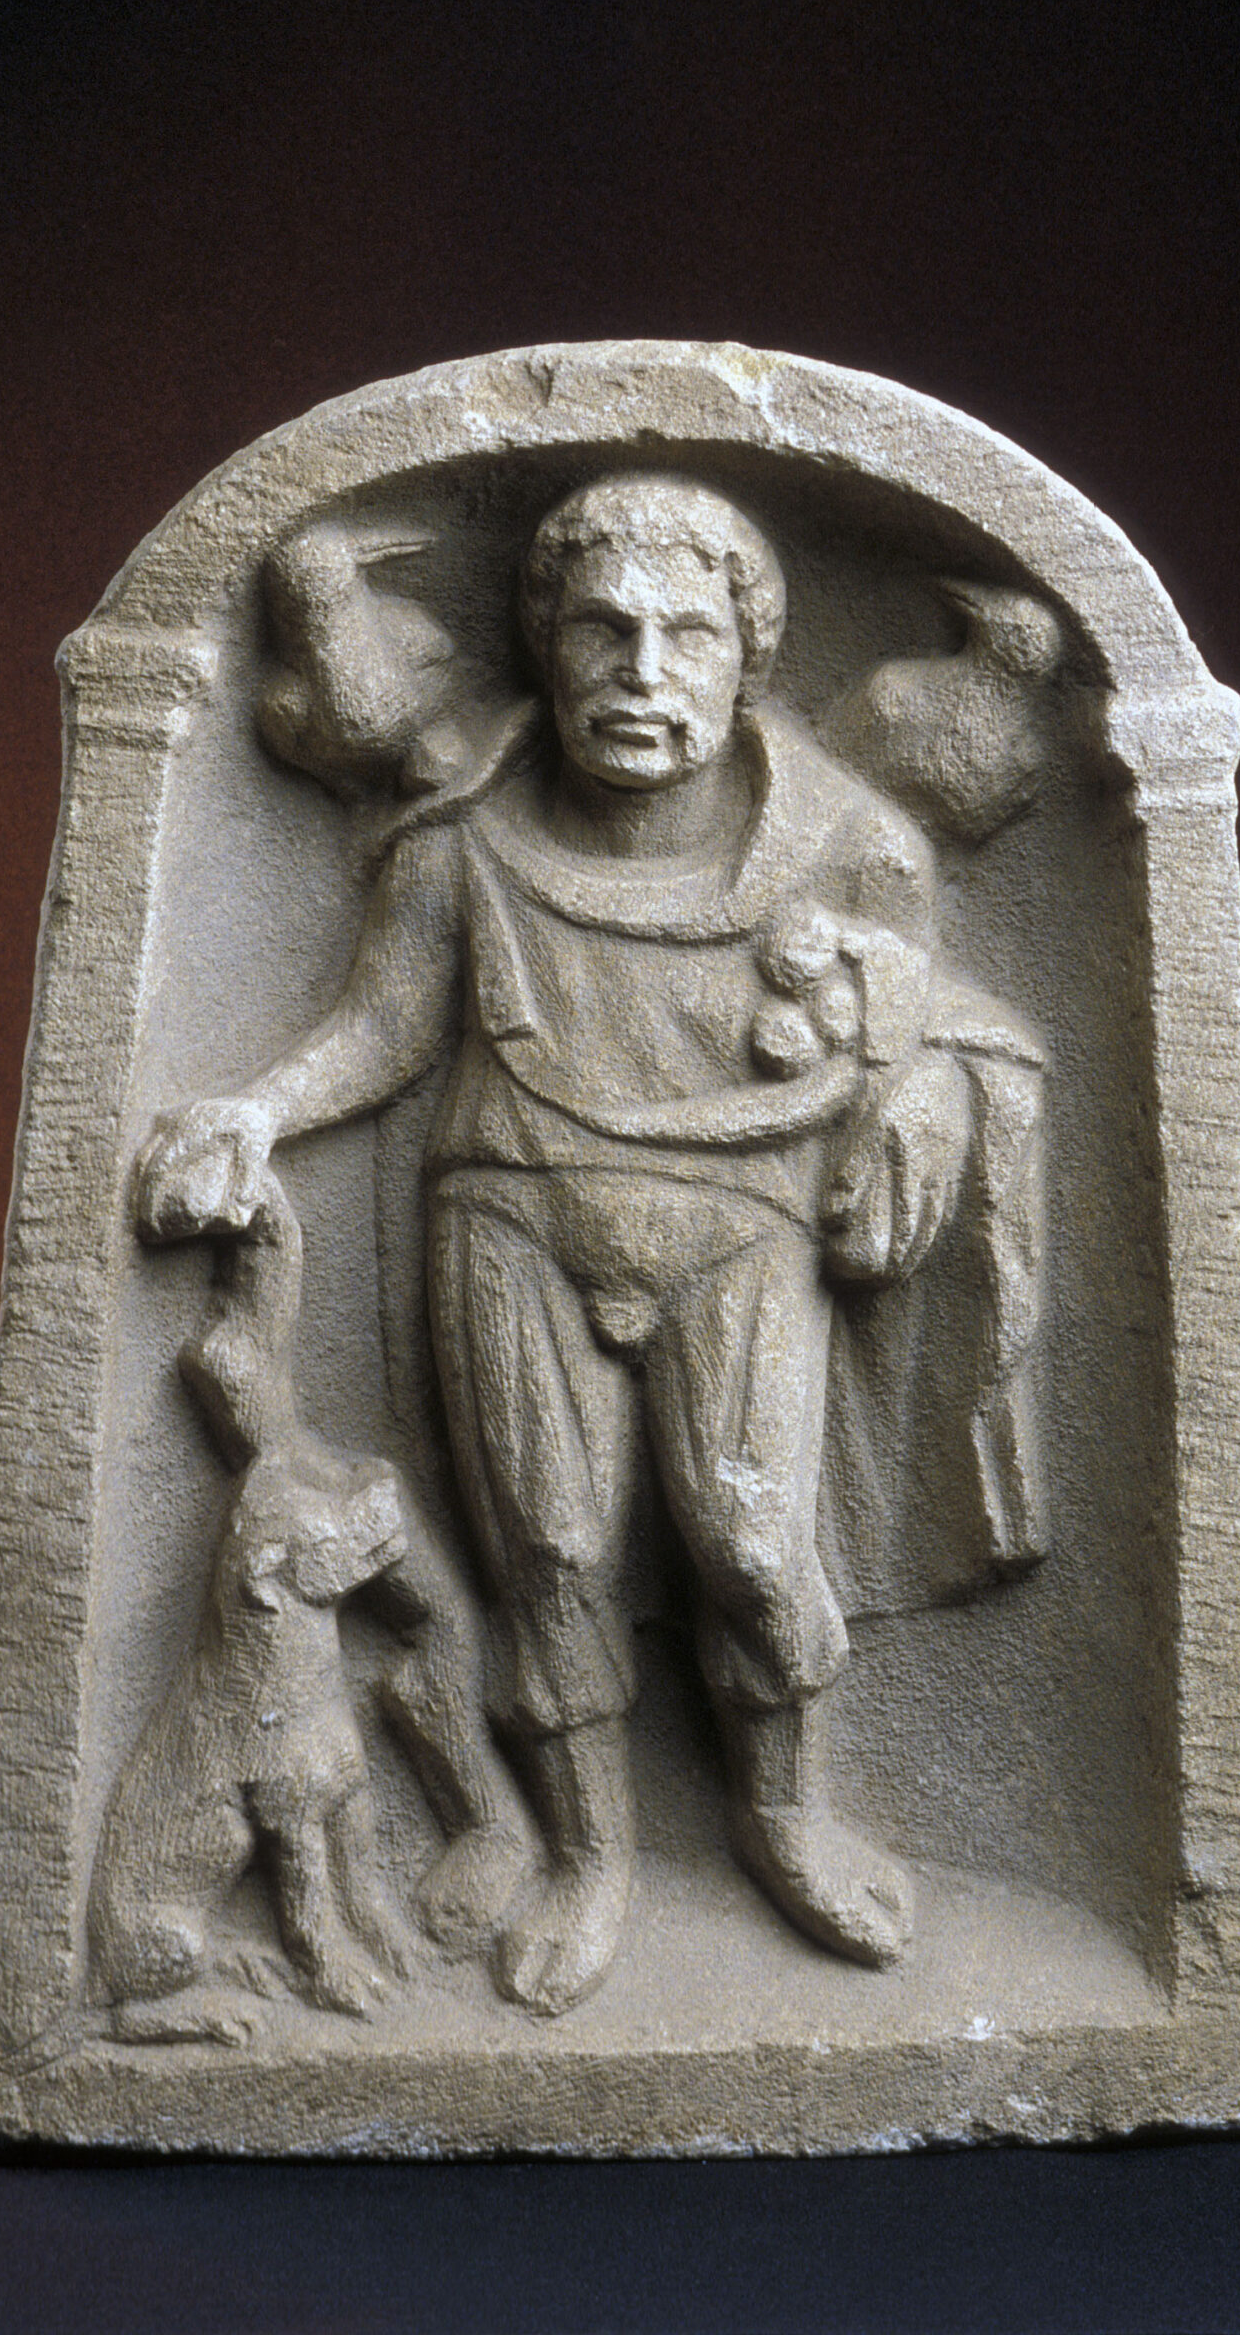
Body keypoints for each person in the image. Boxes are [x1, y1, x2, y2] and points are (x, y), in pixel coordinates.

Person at [137, 474, 979, 2014]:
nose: (641, 671)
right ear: (545, 646)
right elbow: (387, 1026)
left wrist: (924, 1101)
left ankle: (786, 1814)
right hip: (511, 1209)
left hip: (740, 1223)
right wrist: (255, 1110)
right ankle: (591, 1860)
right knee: (548, 1553)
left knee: (749, 1547)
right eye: (601, 630)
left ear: (747, 657)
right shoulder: (464, 835)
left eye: (686, 635)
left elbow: (927, 1032)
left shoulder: (849, 846)